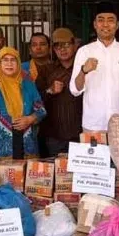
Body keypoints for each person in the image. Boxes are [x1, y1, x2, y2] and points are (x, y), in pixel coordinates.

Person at [69, 1, 119, 132]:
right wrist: (83, 71)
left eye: (110, 20)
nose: (106, 24)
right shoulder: (84, 51)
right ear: (95, 25)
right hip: (93, 124)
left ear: (117, 25)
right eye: (101, 20)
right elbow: (75, 89)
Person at [0, 47, 46, 171]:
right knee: (0, 186)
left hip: (25, 142)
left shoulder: (27, 84)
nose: (9, 63)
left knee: (25, 181)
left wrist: (30, 118)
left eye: (13, 60)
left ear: (18, 63)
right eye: (5, 60)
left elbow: (42, 110)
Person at [35, 28, 82, 157]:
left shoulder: (82, 70)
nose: (62, 49)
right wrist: (50, 90)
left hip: (80, 134)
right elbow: (35, 101)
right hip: (54, 136)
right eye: (57, 46)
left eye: (66, 44)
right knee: (58, 175)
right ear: (53, 49)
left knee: (79, 175)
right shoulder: (47, 70)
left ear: (75, 45)